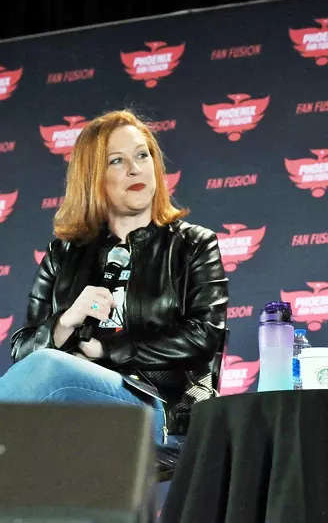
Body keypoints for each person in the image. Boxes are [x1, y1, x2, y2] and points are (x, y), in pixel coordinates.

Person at [0, 110, 228, 445]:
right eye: (117, 161)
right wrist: (66, 321)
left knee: (49, 368)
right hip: (74, 408)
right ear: (93, 177)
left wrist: (106, 351)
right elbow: (22, 351)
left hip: (163, 409)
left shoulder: (193, 245)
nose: (135, 168)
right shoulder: (63, 255)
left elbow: (203, 337)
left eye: (142, 155)